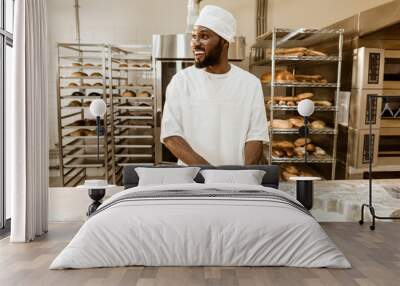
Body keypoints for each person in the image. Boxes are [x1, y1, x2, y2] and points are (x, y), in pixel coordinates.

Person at [160, 5, 268, 166]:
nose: (196, 43)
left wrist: (242, 176)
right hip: (192, 180)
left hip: (235, 183)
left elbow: (256, 136)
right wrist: (209, 173)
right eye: (194, 36)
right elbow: (171, 135)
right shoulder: (181, 81)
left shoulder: (250, 84)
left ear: (224, 42)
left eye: (204, 36)